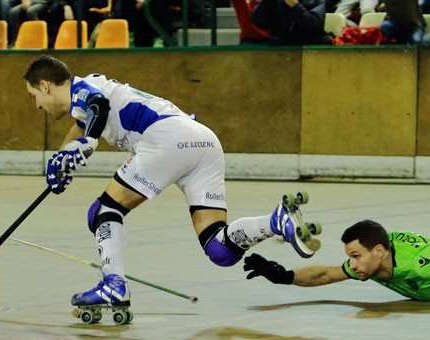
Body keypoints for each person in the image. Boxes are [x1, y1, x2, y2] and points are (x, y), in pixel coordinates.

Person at [22, 55, 321, 323]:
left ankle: (113, 285)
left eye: (33, 95)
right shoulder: (83, 104)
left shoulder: (85, 88)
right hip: (203, 141)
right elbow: (83, 124)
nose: (36, 106)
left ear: (46, 86)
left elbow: (97, 108)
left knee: (103, 211)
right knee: (219, 249)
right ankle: (275, 222)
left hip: (166, 140)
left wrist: (86, 145)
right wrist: (60, 160)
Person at [242, 219, 430, 303]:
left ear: (378, 251)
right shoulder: (370, 264)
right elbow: (326, 275)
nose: (352, 265)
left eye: (355, 256)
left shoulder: (424, 261)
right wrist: (285, 276)